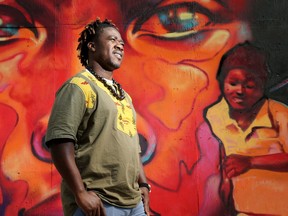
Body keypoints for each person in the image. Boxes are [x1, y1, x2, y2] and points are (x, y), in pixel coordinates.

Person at [45, 18, 150, 216]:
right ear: (92, 46)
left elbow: (133, 148)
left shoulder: (124, 95)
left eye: (121, 43)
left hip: (134, 202)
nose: (120, 45)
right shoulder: (78, 86)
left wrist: (143, 184)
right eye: (112, 40)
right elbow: (60, 142)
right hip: (100, 203)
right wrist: (80, 192)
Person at [205, 42, 288, 215]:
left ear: (262, 85)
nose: (240, 91)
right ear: (223, 83)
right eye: (233, 83)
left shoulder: (279, 113)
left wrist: (250, 161)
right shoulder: (213, 115)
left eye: (249, 86)